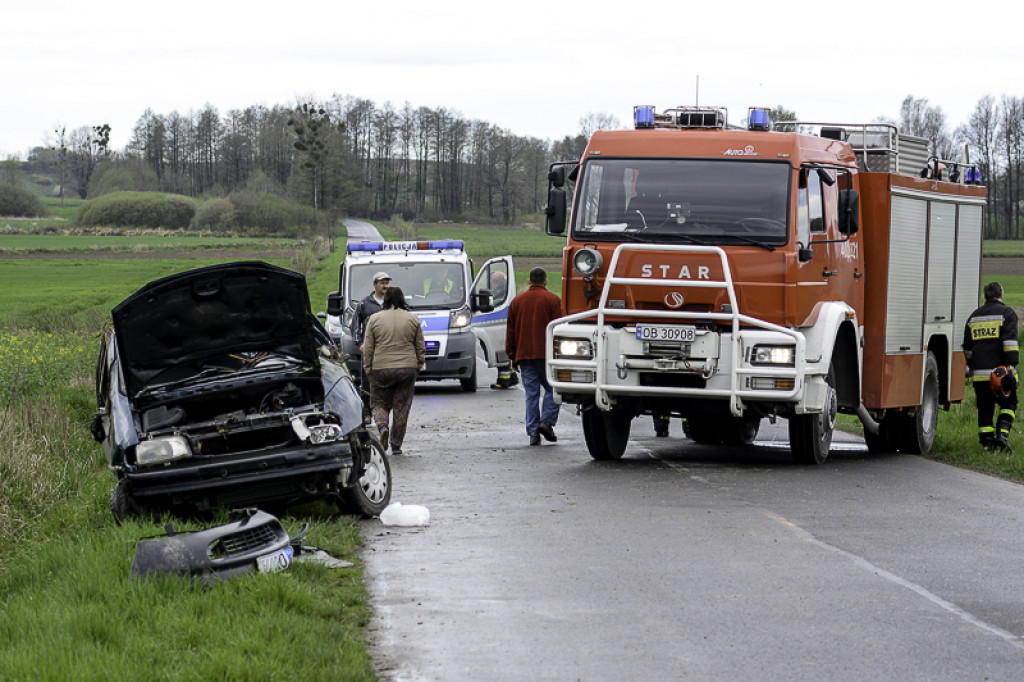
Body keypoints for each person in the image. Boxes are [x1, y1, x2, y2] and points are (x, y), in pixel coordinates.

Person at [363, 286, 426, 456]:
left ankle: (382, 426)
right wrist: (418, 365)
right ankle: (396, 444)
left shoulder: (374, 319)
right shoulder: (413, 319)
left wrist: (368, 368)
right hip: (407, 368)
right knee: (402, 406)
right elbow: (420, 346)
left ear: (386, 300)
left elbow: (368, 347)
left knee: (378, 403)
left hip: (381, 368)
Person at [506, 267, 562, 446]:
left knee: (531, 394)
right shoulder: (554, 300)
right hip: (547, 356)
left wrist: (512, 355)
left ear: (529, 281)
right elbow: (559, 330)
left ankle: (533, 433)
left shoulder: (516, 302)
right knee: (553, 389)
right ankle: (546, 422)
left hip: (524, 355)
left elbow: (511, 331)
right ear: (545, 281)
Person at [964, 281, 1019, 453]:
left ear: (985, 296)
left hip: (980, 376)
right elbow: (1010, 344)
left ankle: (988, 445)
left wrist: (973, 366)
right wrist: (1011, 365)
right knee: (1009, 404)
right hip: (1000, 374)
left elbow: (967, 349)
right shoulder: (1007, 313)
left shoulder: (973, 317)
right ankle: (1002, 437)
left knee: (985, 409)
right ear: (1001, 294)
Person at [353, 271, 391, 423]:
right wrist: (360, 344)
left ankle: (383, 412)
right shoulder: (364, 304)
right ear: (375, 284)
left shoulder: (392, 303)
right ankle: (367, 412)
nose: (385, 286)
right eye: (382, 283)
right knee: (367, 381)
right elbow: (355, 325)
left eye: (387, 283)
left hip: (387, 349)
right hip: (369, 349)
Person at [488, 270, 519, 390]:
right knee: (505, 351)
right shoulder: (504, 289)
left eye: (494, 281)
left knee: (502, 351)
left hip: (503, 321)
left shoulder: (502, 291)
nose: (493, 284)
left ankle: (504, 381)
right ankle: (512, 377)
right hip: (505, 322)